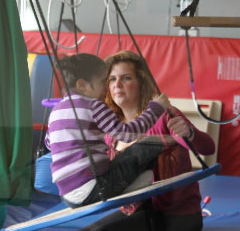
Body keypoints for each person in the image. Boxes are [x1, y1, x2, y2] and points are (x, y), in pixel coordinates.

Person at [12, 50, 215, 231]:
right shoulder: (105, 129)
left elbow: (207, 148)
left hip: (174, 216)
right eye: (112, 79)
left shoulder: (164, 115)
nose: (117, 85)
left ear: (141, 81)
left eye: (126, 78)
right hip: (137, 212)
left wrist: (189, 134)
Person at [43, 53, 170, 209]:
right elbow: (128, 134)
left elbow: (49, 143)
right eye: (104, 81)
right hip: (96, 188)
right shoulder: (93, 105)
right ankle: (127, 188)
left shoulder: (56, 110)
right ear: (83, 85)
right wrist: (155, 109)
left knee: (122, 163)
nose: (107, 88)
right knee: (152, 143)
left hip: (68, 197)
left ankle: (127, 186)